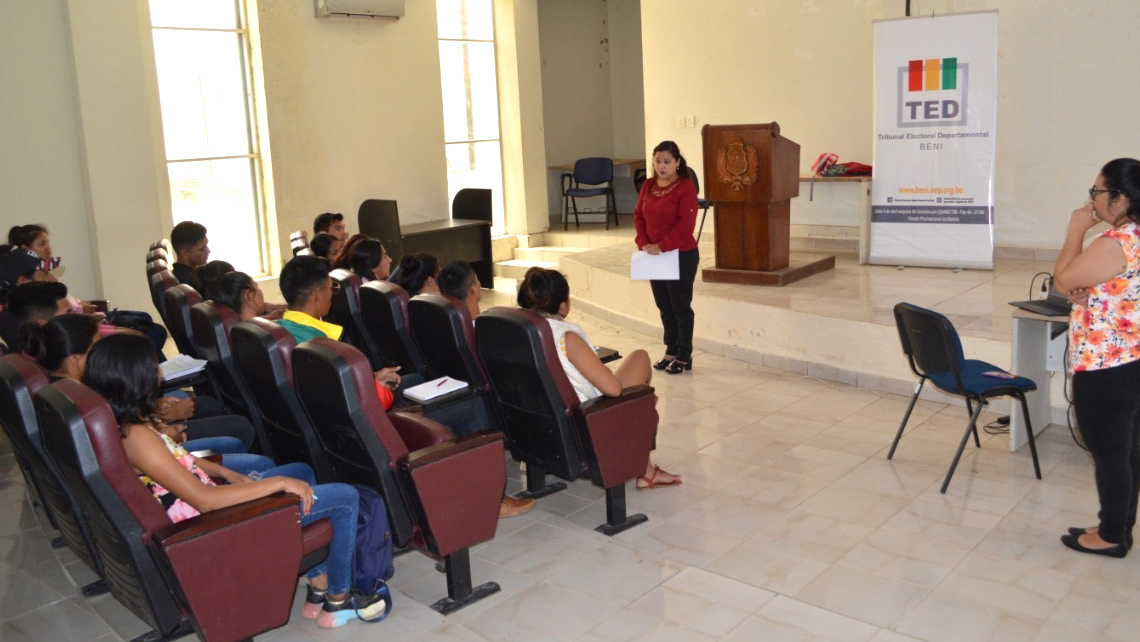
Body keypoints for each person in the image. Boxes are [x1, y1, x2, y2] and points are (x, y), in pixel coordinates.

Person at [82, 333, 388, 627]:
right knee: (346, 498)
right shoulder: (137, 437)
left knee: (302, 471)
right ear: (136, 377)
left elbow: (180, 460)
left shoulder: (124, 422)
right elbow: (204, 500)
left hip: (209, 506)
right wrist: (278, 484)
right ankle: (339, 599)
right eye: (152, 367)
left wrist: (227, 473)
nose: (159, 373)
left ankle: (318, 583)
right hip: (216, 526)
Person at [517, 267, 681, 489]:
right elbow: (613, 389)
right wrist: (641, 400)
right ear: (563, 306)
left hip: (542, 420)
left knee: (636, 373)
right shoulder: (565, 337)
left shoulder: (518, 329)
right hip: (584, 420)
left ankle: (646, 469)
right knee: (641, 362)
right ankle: (644, 466)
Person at [1054, 158, 1140, 558]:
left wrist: (1076, 229)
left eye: (1097, 192)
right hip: (1130, 358)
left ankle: (1111, 536)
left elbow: (1063, 278)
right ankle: (1118, 524)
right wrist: (1093, 298)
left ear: (1119, 199)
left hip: (1107, 365)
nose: (1092, 200)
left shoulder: (1116, 242)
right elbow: (1127, 294)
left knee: (1109, 453)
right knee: (1127, 450)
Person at [633, 140, 700, 375]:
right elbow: (638, 216)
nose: (661, 166)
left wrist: (662, 246)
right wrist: (644, 243)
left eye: (667, 162)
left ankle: (684, 355)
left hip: (680, 254)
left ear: (677, 163)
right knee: (664, 305)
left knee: (680, 306)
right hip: (653, 255)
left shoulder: (685, 187)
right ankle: (670, 351)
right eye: (658, 161)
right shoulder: (648, 185)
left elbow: (686, 225)